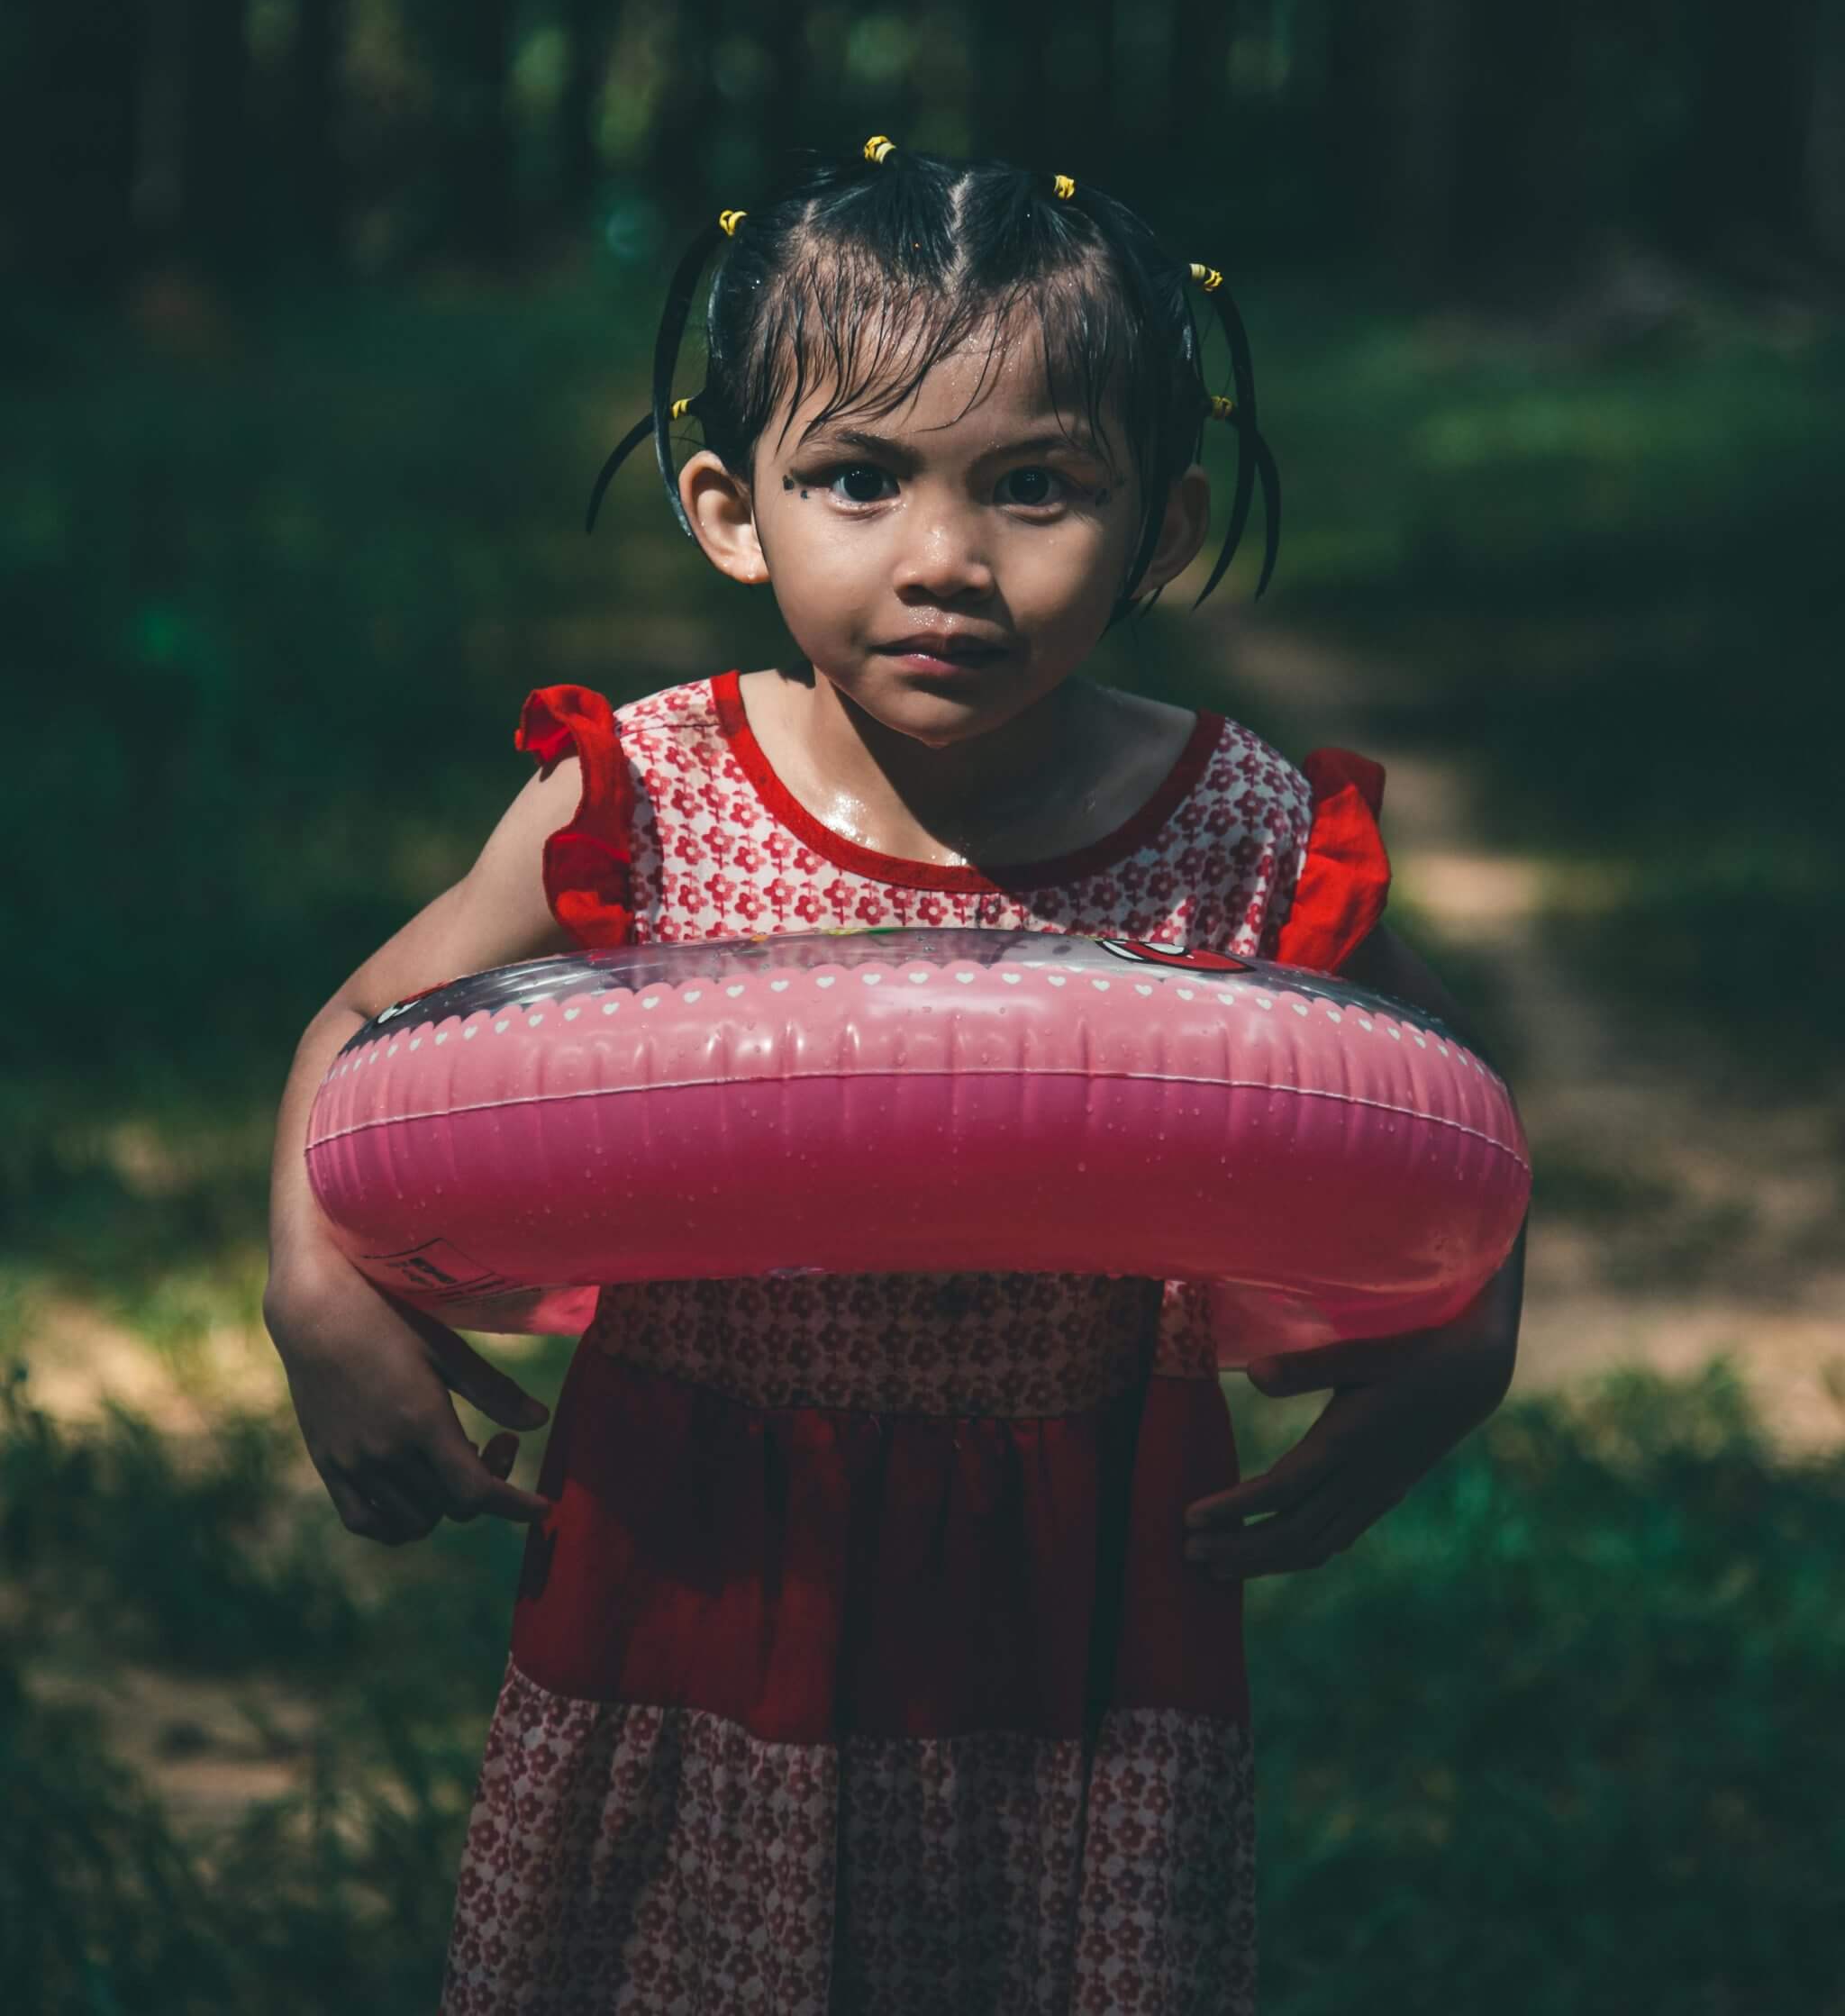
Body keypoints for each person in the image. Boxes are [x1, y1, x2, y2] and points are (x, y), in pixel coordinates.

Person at [265, 135, 1527, 2016]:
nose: (944, 557)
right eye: (857, 478)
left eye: (1037, 487)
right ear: (728, 506)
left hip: (1073, 1559)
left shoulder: (1237, 829)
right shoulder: (655, 795)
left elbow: (1443, 1119)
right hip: (701, 1538)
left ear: (1162, 529)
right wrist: (313, 1288)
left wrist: (1460, 1345)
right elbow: (364, 1030)